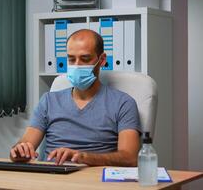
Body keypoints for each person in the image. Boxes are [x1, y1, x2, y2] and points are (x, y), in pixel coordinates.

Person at [10, 29, 141, 166]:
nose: (77, 65)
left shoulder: (123, 103)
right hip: (50, 178)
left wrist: (83, 157)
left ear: (102, 60)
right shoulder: (49, 101)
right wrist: (18, 152)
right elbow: (23, 145)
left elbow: (130, 158)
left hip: (93, 180)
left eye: (85, 59)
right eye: (71, 59)